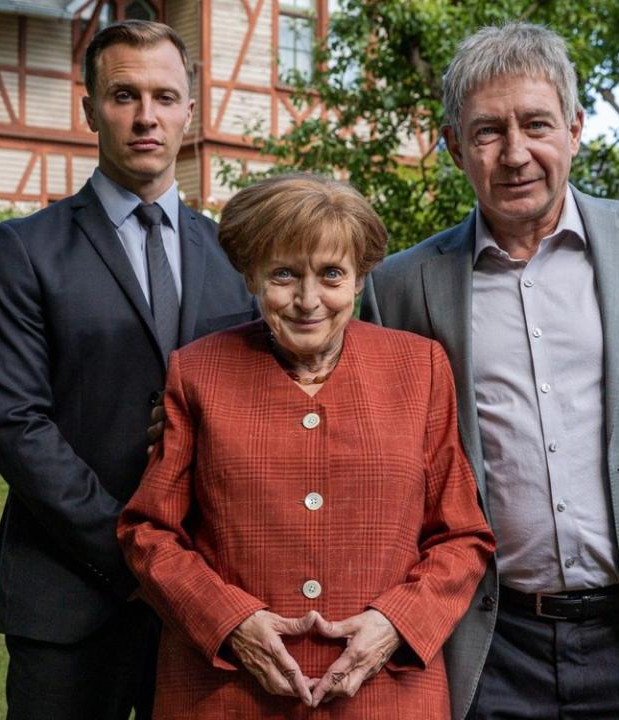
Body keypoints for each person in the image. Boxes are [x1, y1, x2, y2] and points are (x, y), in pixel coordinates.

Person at [361, 21, 619, 720]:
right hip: (493, 644)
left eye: (536, 124)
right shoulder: (401, 287)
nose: (515, 153)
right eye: (488, 131)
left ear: (575, 129)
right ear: (454, 146)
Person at [117, 174, 495, 719]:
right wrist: (229, 622)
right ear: (251, 276)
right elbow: (148, 531)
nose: (307, 300)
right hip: (227, 693)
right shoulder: (197, 371)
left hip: (383, 693)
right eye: (284, 275)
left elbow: (462, 535)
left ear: (361, 279)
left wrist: (396, 623)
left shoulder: (421, 369)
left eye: (331, 274)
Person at [0, 20, 256, 719]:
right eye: (124, 95)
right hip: (68, 593)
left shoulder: (234, 253)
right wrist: (134, 554)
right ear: (90, 107)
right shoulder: (24, 250)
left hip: (203, 597)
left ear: (191, 112)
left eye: (165, 96)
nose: (146, 116)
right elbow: (15, 425)